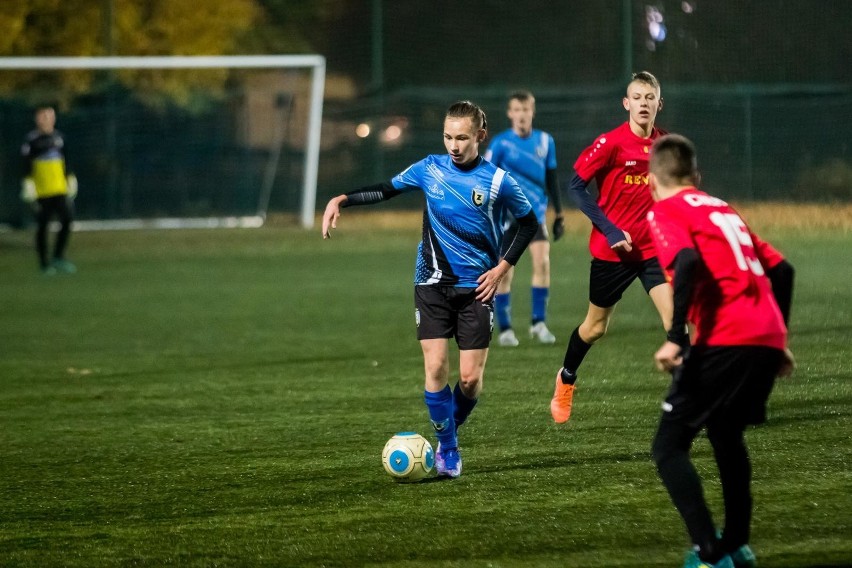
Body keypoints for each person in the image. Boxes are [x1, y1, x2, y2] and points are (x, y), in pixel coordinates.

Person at [322, 100, 537, 478]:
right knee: (436, 366)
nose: (454, 146)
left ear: (480, 136)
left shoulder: (499, 181)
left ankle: (443, 435)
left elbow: (529, 223)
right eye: (448, 137)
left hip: (478, 287)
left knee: (470, 381)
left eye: (462, 138)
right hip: (431, 282)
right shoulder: (429, 168)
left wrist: (503, 267)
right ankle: (449, 449)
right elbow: (386, 190)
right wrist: (343, 198)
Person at [646, 134, 795, 568]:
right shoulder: (721, 207)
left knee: (668, 447)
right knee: (726, 432)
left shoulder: (664, 209)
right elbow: (782, 270)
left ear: (653, 181)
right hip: (763, 337)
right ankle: (735, 544)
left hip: (727, 338)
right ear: (697, 176)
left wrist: (676, 336)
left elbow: (687, 262)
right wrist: (779, 341)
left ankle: (709, 554)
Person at [551, 71, 675, 423]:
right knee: (595, 328)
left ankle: (691, 403)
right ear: (626, 103)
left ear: (658, 104)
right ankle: (566, 378)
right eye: (637, 98)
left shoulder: (666, 145)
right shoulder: (612, 144)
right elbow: (575, 186)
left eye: (650, 98)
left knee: (676, 323)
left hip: (652, 251)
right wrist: (609, 229)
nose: (643, 104)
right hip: (613, 254)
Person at [484, 90, 564, 347]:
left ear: (532, 111)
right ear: (510, 113)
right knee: (504, 273)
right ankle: (505, 328)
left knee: (543, 264)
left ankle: (538, 323)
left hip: (535, 216)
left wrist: (559, 213)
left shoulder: (545, 141)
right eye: (516, 110)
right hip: (507, 218)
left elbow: (551, 178)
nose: (521, 115)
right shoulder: (500, 144)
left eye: (525, 110)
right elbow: (486, 180)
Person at [20, 105, 78, 275]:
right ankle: (44, 264)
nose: (46, 119)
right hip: (41, 191)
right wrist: (28, 185)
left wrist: (71, 179)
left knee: (67, 220)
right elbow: (25, 165)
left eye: (49, 116)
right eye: (42, 116)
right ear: (37, 118)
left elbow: (67, 161)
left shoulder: (60, 138)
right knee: (43, 226)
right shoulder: (31, 140)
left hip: (59, 189)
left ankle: (58, 256)